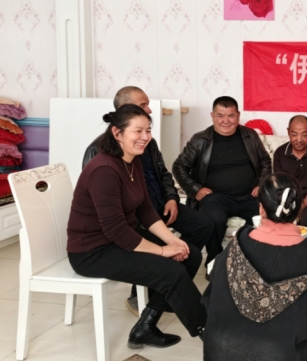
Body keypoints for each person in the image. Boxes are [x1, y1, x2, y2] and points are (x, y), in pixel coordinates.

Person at [67, 105, 206, 349]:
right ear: (117, 133)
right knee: (171, 271)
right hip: (92, 251)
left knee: (189, 254)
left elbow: (145, 209)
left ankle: (145, 327)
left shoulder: (133, 161)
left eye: (148, 130)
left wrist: (172, 241)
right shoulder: (103, 170)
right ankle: (213, 335)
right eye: (138, 131)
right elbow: (116, 231)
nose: (145, 137)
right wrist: (162, 251)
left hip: (119, 238)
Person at [83, 86, 214, 313]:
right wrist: (164, 247)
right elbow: (108, 210)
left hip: (157, 206)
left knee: (204, 226)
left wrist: (171, 198)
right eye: (143, 105)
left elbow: (163, 173)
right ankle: (145, 293)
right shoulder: (99, 152)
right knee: (162, 251)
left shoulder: (147, 142)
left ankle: (165, 293)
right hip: (133, 217)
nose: (150, 109)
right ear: (125, 112)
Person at [201, 173, 307, 361]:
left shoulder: (235, 245)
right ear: (298, 210)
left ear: (261, 208)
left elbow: (209, 301)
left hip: (220, 351)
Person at [173, 96, 271, 265]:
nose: (226, 121)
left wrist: (261, 184)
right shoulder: (200, 140)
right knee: (212, 219)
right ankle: (214, 262)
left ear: (238, 116)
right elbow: (179, 166)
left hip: (249, 195)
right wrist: (195, 189)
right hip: (216, 197)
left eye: (231, 115)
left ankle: (249, 262)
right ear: (212, 116)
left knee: (264, 218)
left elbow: (265, 161)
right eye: (220, 115)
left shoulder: (250, 136)